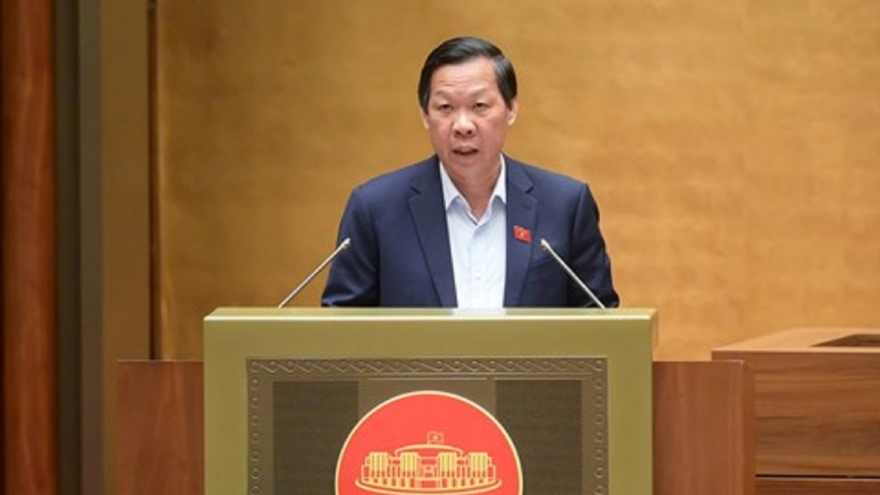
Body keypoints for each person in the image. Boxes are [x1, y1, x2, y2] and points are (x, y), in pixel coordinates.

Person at [321, 36, 619, 308]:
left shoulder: (566, 206)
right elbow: (341, 330)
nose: (462, 125)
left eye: (479, 106)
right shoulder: (375, 209)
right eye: (445, 108)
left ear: (511, 109)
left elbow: (601, 323)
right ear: (425, 115)